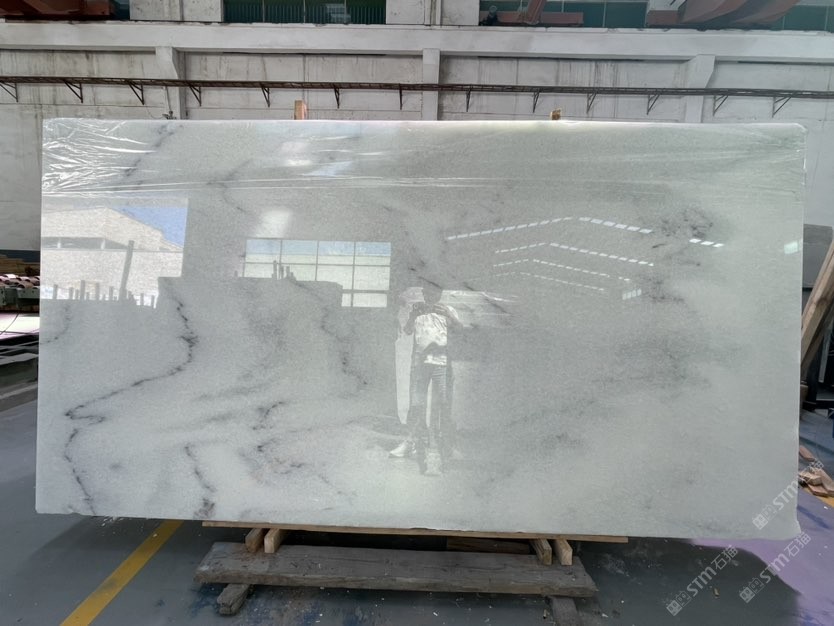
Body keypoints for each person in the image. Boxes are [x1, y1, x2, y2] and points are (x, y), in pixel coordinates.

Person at [389, 283, 462, 474]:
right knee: (416, 405)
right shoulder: (418, 311)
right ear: (423, 293)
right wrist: (414, 315)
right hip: (420, 365)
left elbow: (460, 331)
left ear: (440, 293)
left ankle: (447, 446)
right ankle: (410, 443)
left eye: (435, 292)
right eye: (427, 292)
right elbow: (407, 331)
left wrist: (450, 315)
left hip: (442, 364)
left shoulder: (448, 310)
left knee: (444, 406)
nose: (431, 295)